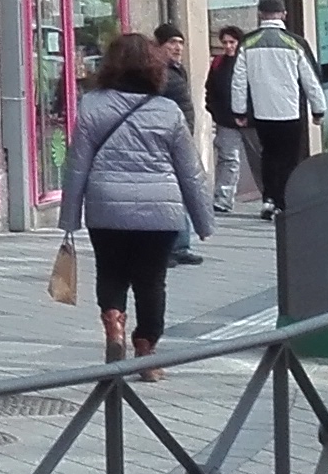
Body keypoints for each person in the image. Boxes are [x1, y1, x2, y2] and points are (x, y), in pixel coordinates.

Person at [63, 33, 218, 361]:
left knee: (110, 271)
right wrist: (203, 221)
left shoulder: (91, 104)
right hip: (160, 209)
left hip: (106, 205)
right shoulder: (168, 111)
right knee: (152, 281)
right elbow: (190, 172)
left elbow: (77, 164)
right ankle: (146, 347)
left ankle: (114, 326)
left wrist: (69, 218)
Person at [227, 13, 328, 214]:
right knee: (288, 158)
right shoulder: (295, 42)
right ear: (283, 14)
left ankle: (269, 199)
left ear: (259, 15)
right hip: (290, 112)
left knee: (268, 155)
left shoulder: (248, 43)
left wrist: (239, 110)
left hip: (262, 112)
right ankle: (283, 201)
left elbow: (238, 81)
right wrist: (318, 109)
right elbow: (310, 79)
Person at [153, 25, 205, 266]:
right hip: (166, 143)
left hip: (180, 140)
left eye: (181, 42)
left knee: (180, 192)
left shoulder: (175, 70)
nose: (177, 47)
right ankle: (167, 248)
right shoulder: (157, 73)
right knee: (169, 195)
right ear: (159, 45)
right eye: (172, 42)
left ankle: (180, 245)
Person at [207, 25, 251, 214]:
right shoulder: (218, 63)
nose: (228, 46)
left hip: (251, 121)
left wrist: (248, 115)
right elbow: (210, 90)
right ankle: (223, 199)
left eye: (232, 42)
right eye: (224, 42)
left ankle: (271, 199)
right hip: (226, 120)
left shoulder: (249, 61)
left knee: (259, 160)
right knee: (228, 159)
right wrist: (216, 112)